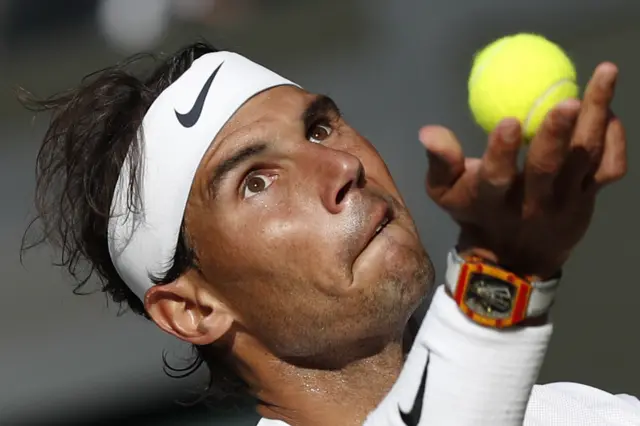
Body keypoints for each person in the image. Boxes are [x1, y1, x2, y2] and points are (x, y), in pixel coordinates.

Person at [21, 41, 638, 425]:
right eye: (255, 182)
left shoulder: (591, 415)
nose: (343, 167)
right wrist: (502, 271)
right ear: (191, 308)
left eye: (319, 130)